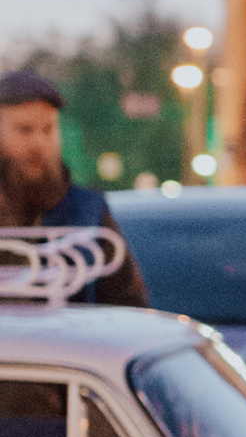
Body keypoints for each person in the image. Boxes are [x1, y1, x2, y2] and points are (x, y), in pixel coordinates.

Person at [0, 71, 148, 303]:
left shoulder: (87, 211)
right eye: (25, 130)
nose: (39, 143)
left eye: (48, 129)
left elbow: (128, 306)